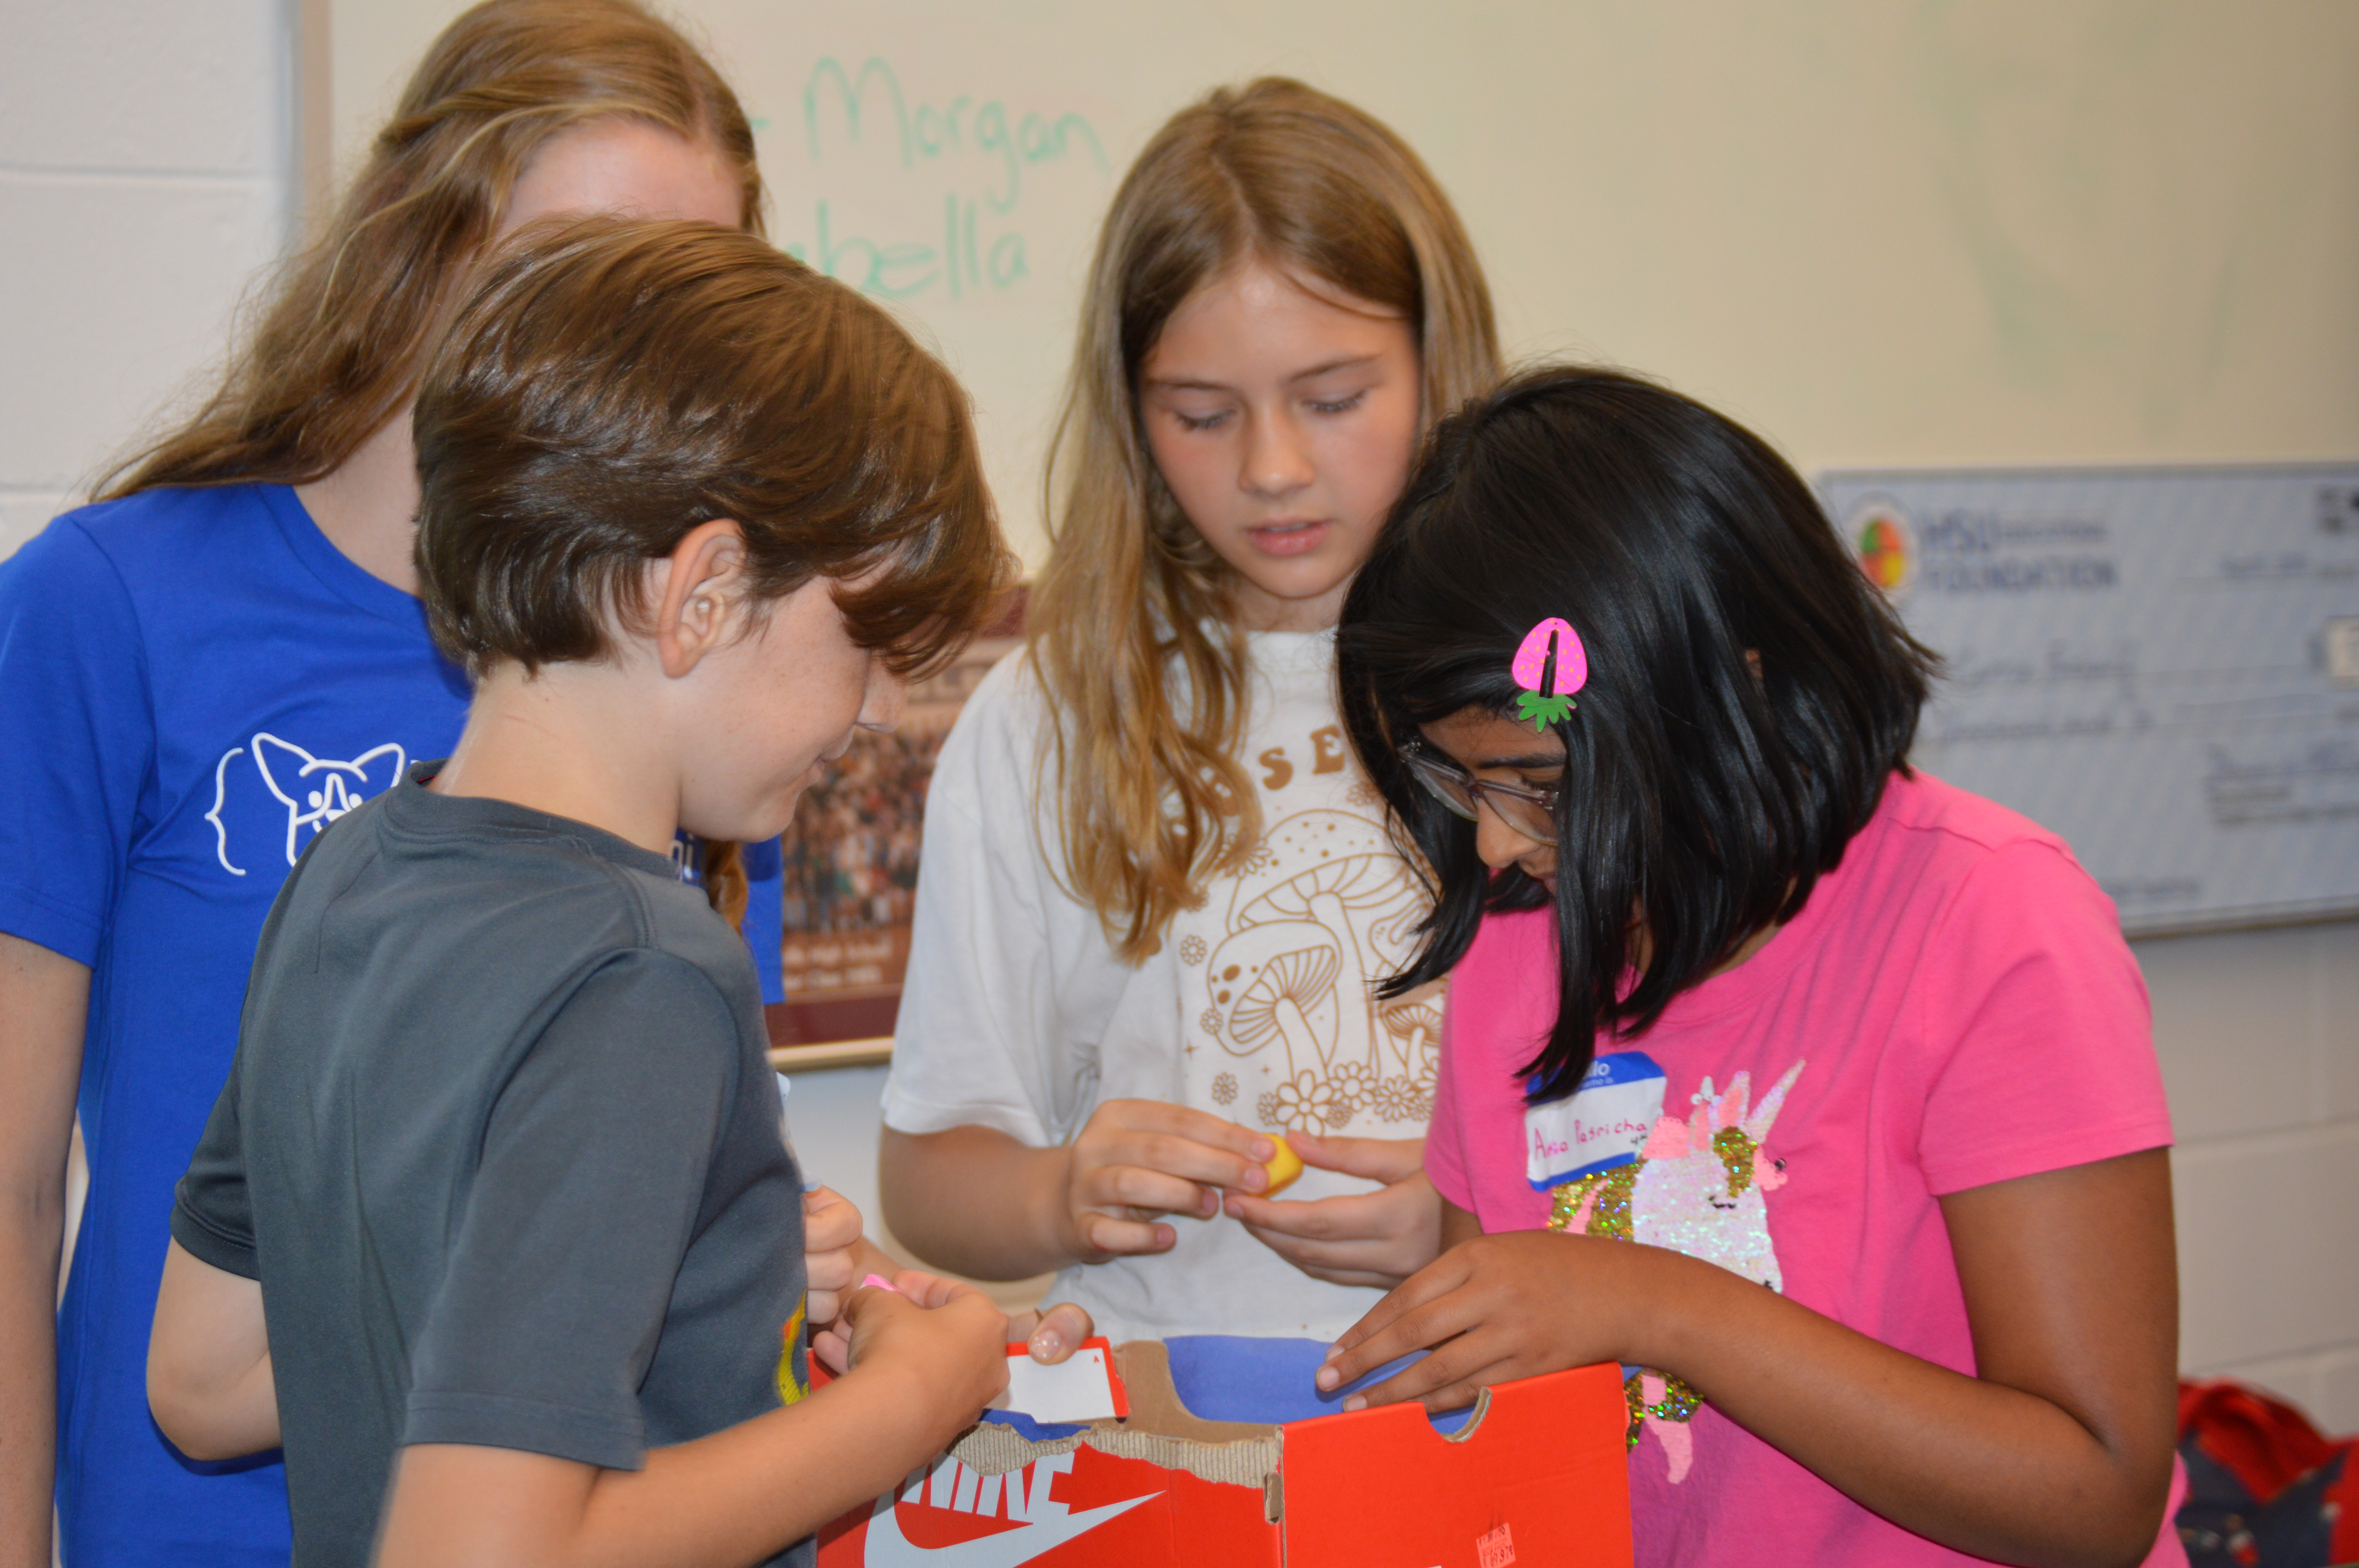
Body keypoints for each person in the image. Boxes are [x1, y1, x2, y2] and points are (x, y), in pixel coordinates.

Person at [0, 5, 809, 1562]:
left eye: (674, 295)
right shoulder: (114, 605)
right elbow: (13, 1189)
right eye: (561, 271)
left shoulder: (702, 668)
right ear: (416, 243)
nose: (609, 345)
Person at [147, 214, 1025, 1568]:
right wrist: (921, 1394)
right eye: (861, 637)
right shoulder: (641, 972)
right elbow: (483, 1551)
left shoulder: (351, 874)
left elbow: (205, 1384)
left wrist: (688, 1301)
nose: (874, 707)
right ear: (706, 594)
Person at [1321, 366, 2186, 1567]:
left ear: (1738, 691)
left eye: (1543, 786)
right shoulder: (1523, 935)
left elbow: (2096, 1497)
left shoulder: (1991, 922)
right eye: (1464, 780)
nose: (1499, 844)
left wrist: (1657, 1305)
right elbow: (1506, 1421)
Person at [877, 78, 1502, 1342]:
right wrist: (1062, 1191)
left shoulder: (1547, 688)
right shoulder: (1052, 717)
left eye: (1332, 400)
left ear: (1441, 368)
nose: (1273, 468)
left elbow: (1677, 1136)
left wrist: (1470, 1233)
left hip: (1495, 1438)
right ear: (1135, 415)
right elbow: (931, 1179)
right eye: (1204, 417)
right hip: (1172, 1425)